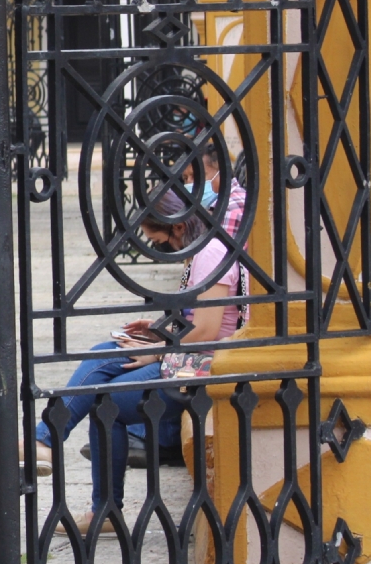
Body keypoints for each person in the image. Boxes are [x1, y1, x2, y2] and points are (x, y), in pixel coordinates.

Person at [33, 141, 249, 533]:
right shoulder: (198, 251)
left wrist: (157, 355)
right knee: (103, 352)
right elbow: (193, 318)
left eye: (158, 239)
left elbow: (208, 331)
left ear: (178, 226)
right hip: (187, 358)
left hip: (201, 369)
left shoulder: (209, 254)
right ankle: (47, 441)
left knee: (106, 405)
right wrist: (156, 332)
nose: (157, 247)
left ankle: (96, 499)